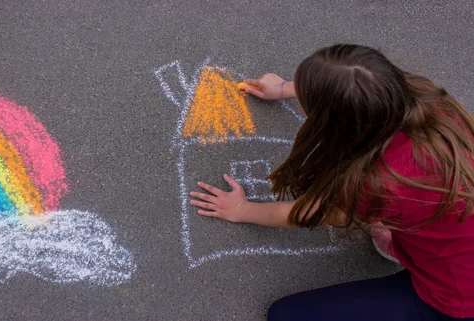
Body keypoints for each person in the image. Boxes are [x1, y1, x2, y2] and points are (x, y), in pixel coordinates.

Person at [190, 44, 474, 321]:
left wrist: (242, 210)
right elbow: (354, 87)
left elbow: (309, 213)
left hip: (456, 300)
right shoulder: (431, 103)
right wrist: (284, 88)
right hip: (458, 242)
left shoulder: (377, 183)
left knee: (286, 315)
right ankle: (400, 232)